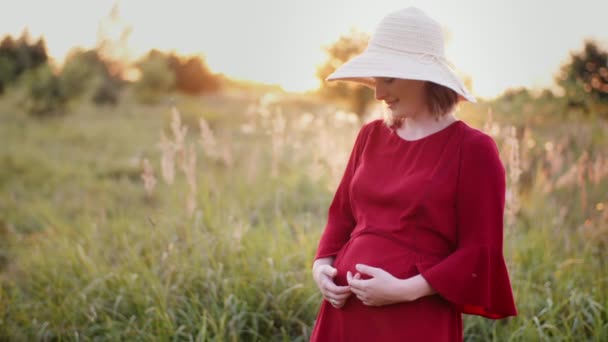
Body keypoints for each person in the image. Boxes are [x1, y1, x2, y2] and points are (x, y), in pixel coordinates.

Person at [310, 7, 517, 341]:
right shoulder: (370, 135)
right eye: (376, 80)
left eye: (388, 79)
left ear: (424, 78)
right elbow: (341, 216)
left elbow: (480, 250)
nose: (378, 93)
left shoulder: (474, 149)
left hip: (414, 317)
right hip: (344, 314)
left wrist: (406, 290)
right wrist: (321, 267)